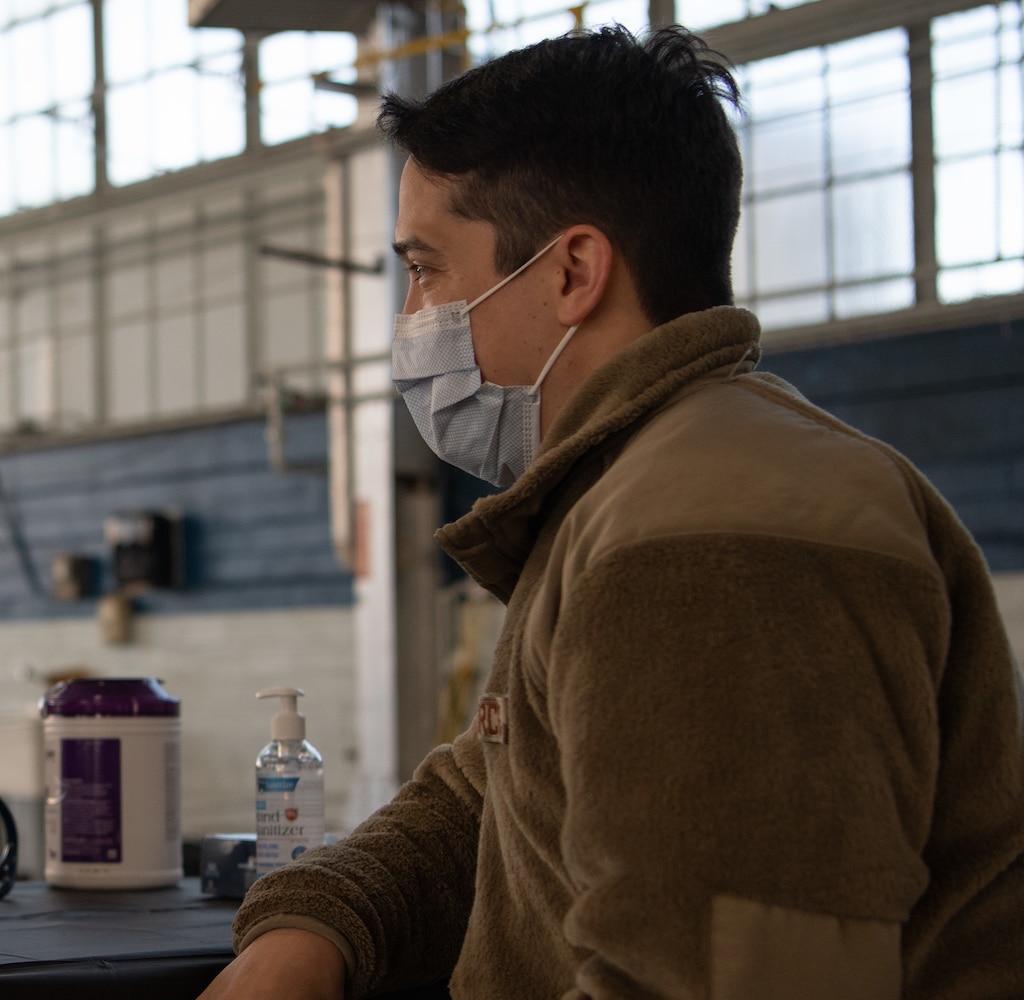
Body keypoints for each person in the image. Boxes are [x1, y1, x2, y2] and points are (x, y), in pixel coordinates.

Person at [199, 25, 1024, 1000]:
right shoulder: (628, 489)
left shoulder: (709, 538)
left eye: (425, 269)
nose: (410, 320)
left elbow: (715, 983)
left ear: (569, 272)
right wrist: (312, 925)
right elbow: (493, 798)